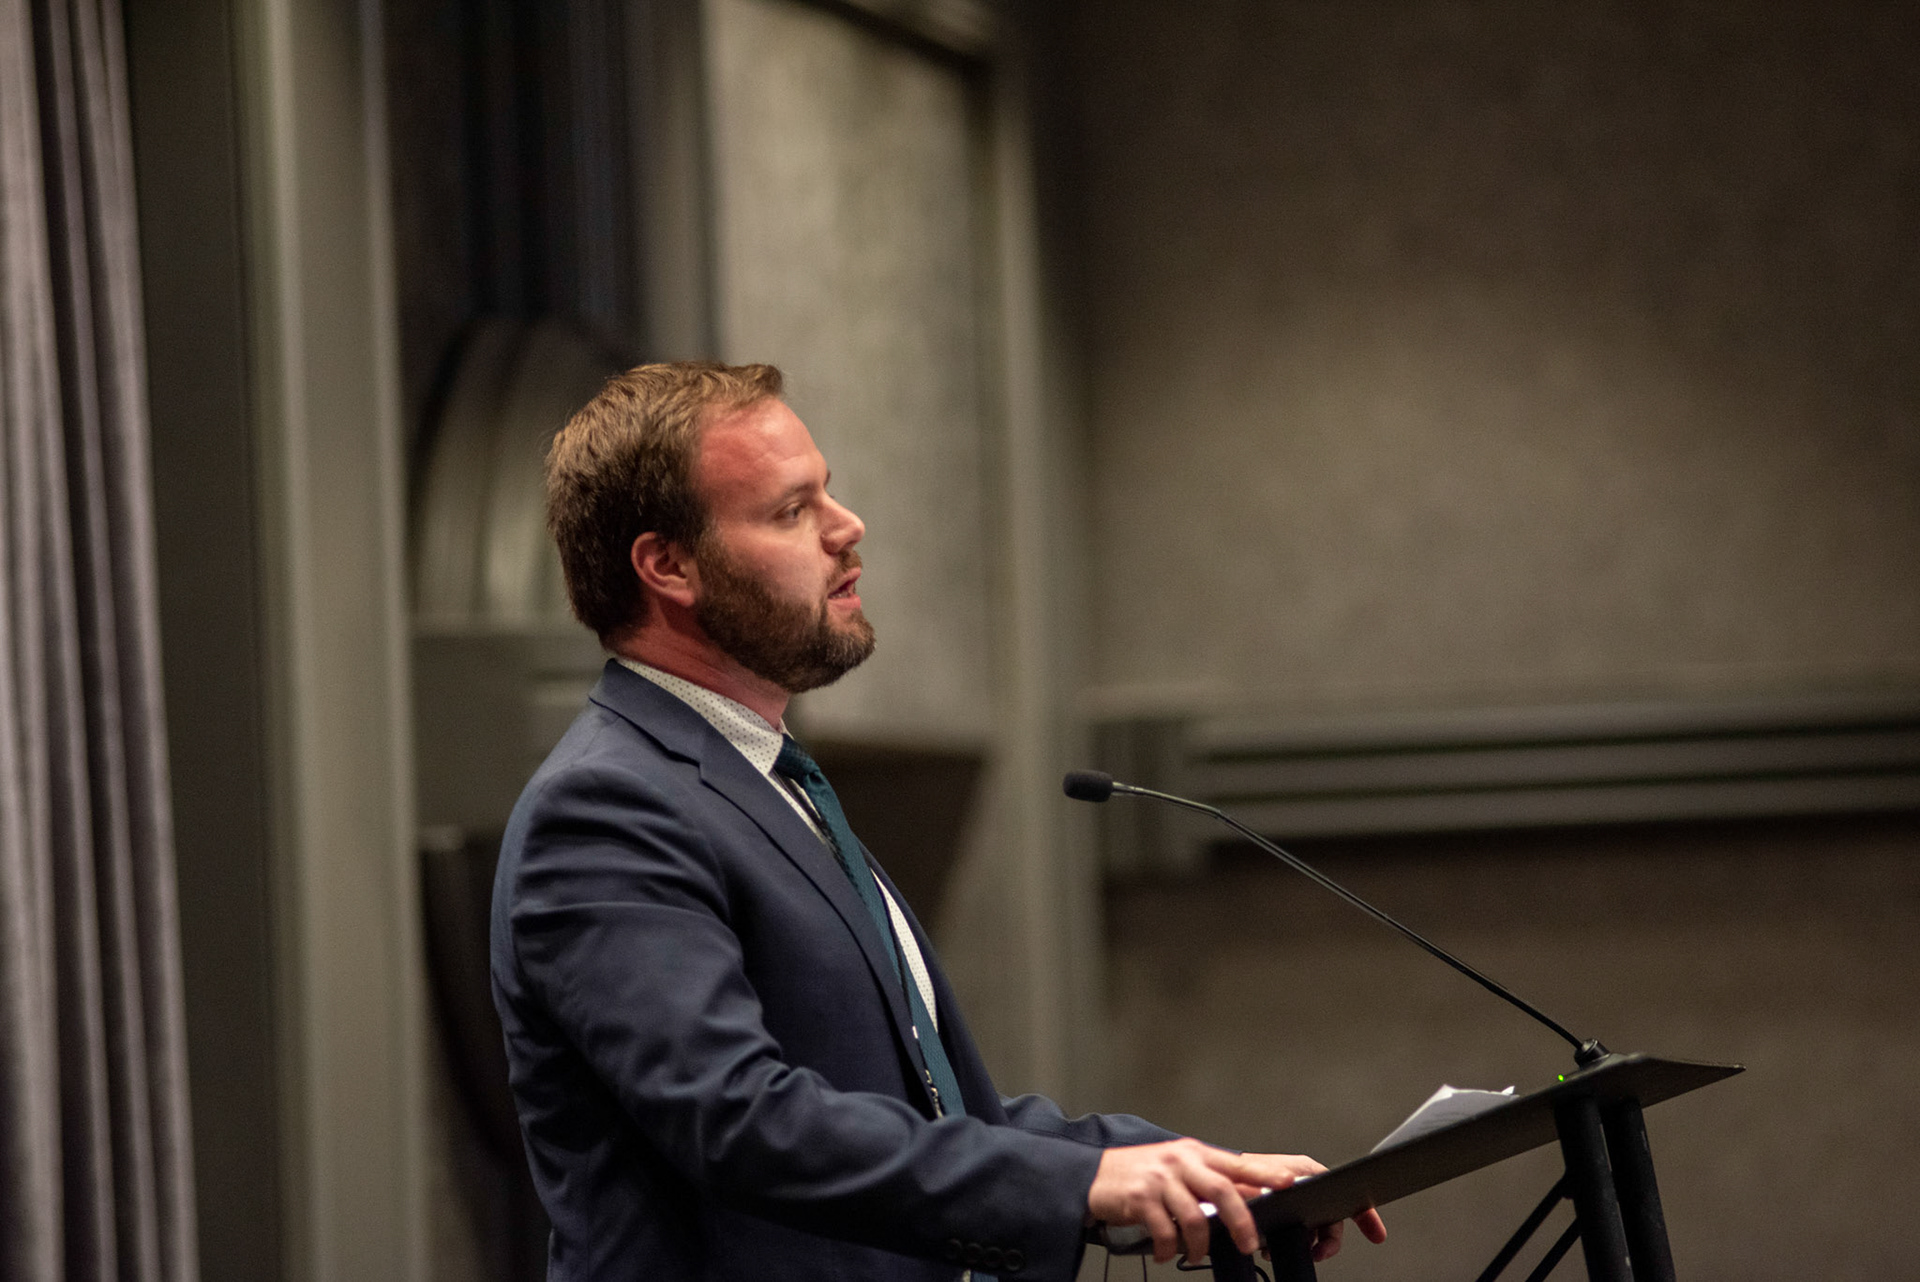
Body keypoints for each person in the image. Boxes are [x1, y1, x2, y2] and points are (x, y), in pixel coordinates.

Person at [490, 362, 1386, 1281]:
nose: (848, 529)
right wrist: (1081, 1189)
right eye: (792, 511)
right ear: (667, 566)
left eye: (827, 493)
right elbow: (740, 1121)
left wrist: (1180, 1168)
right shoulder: (606, 807)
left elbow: (942, 1118)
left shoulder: (772, 785)